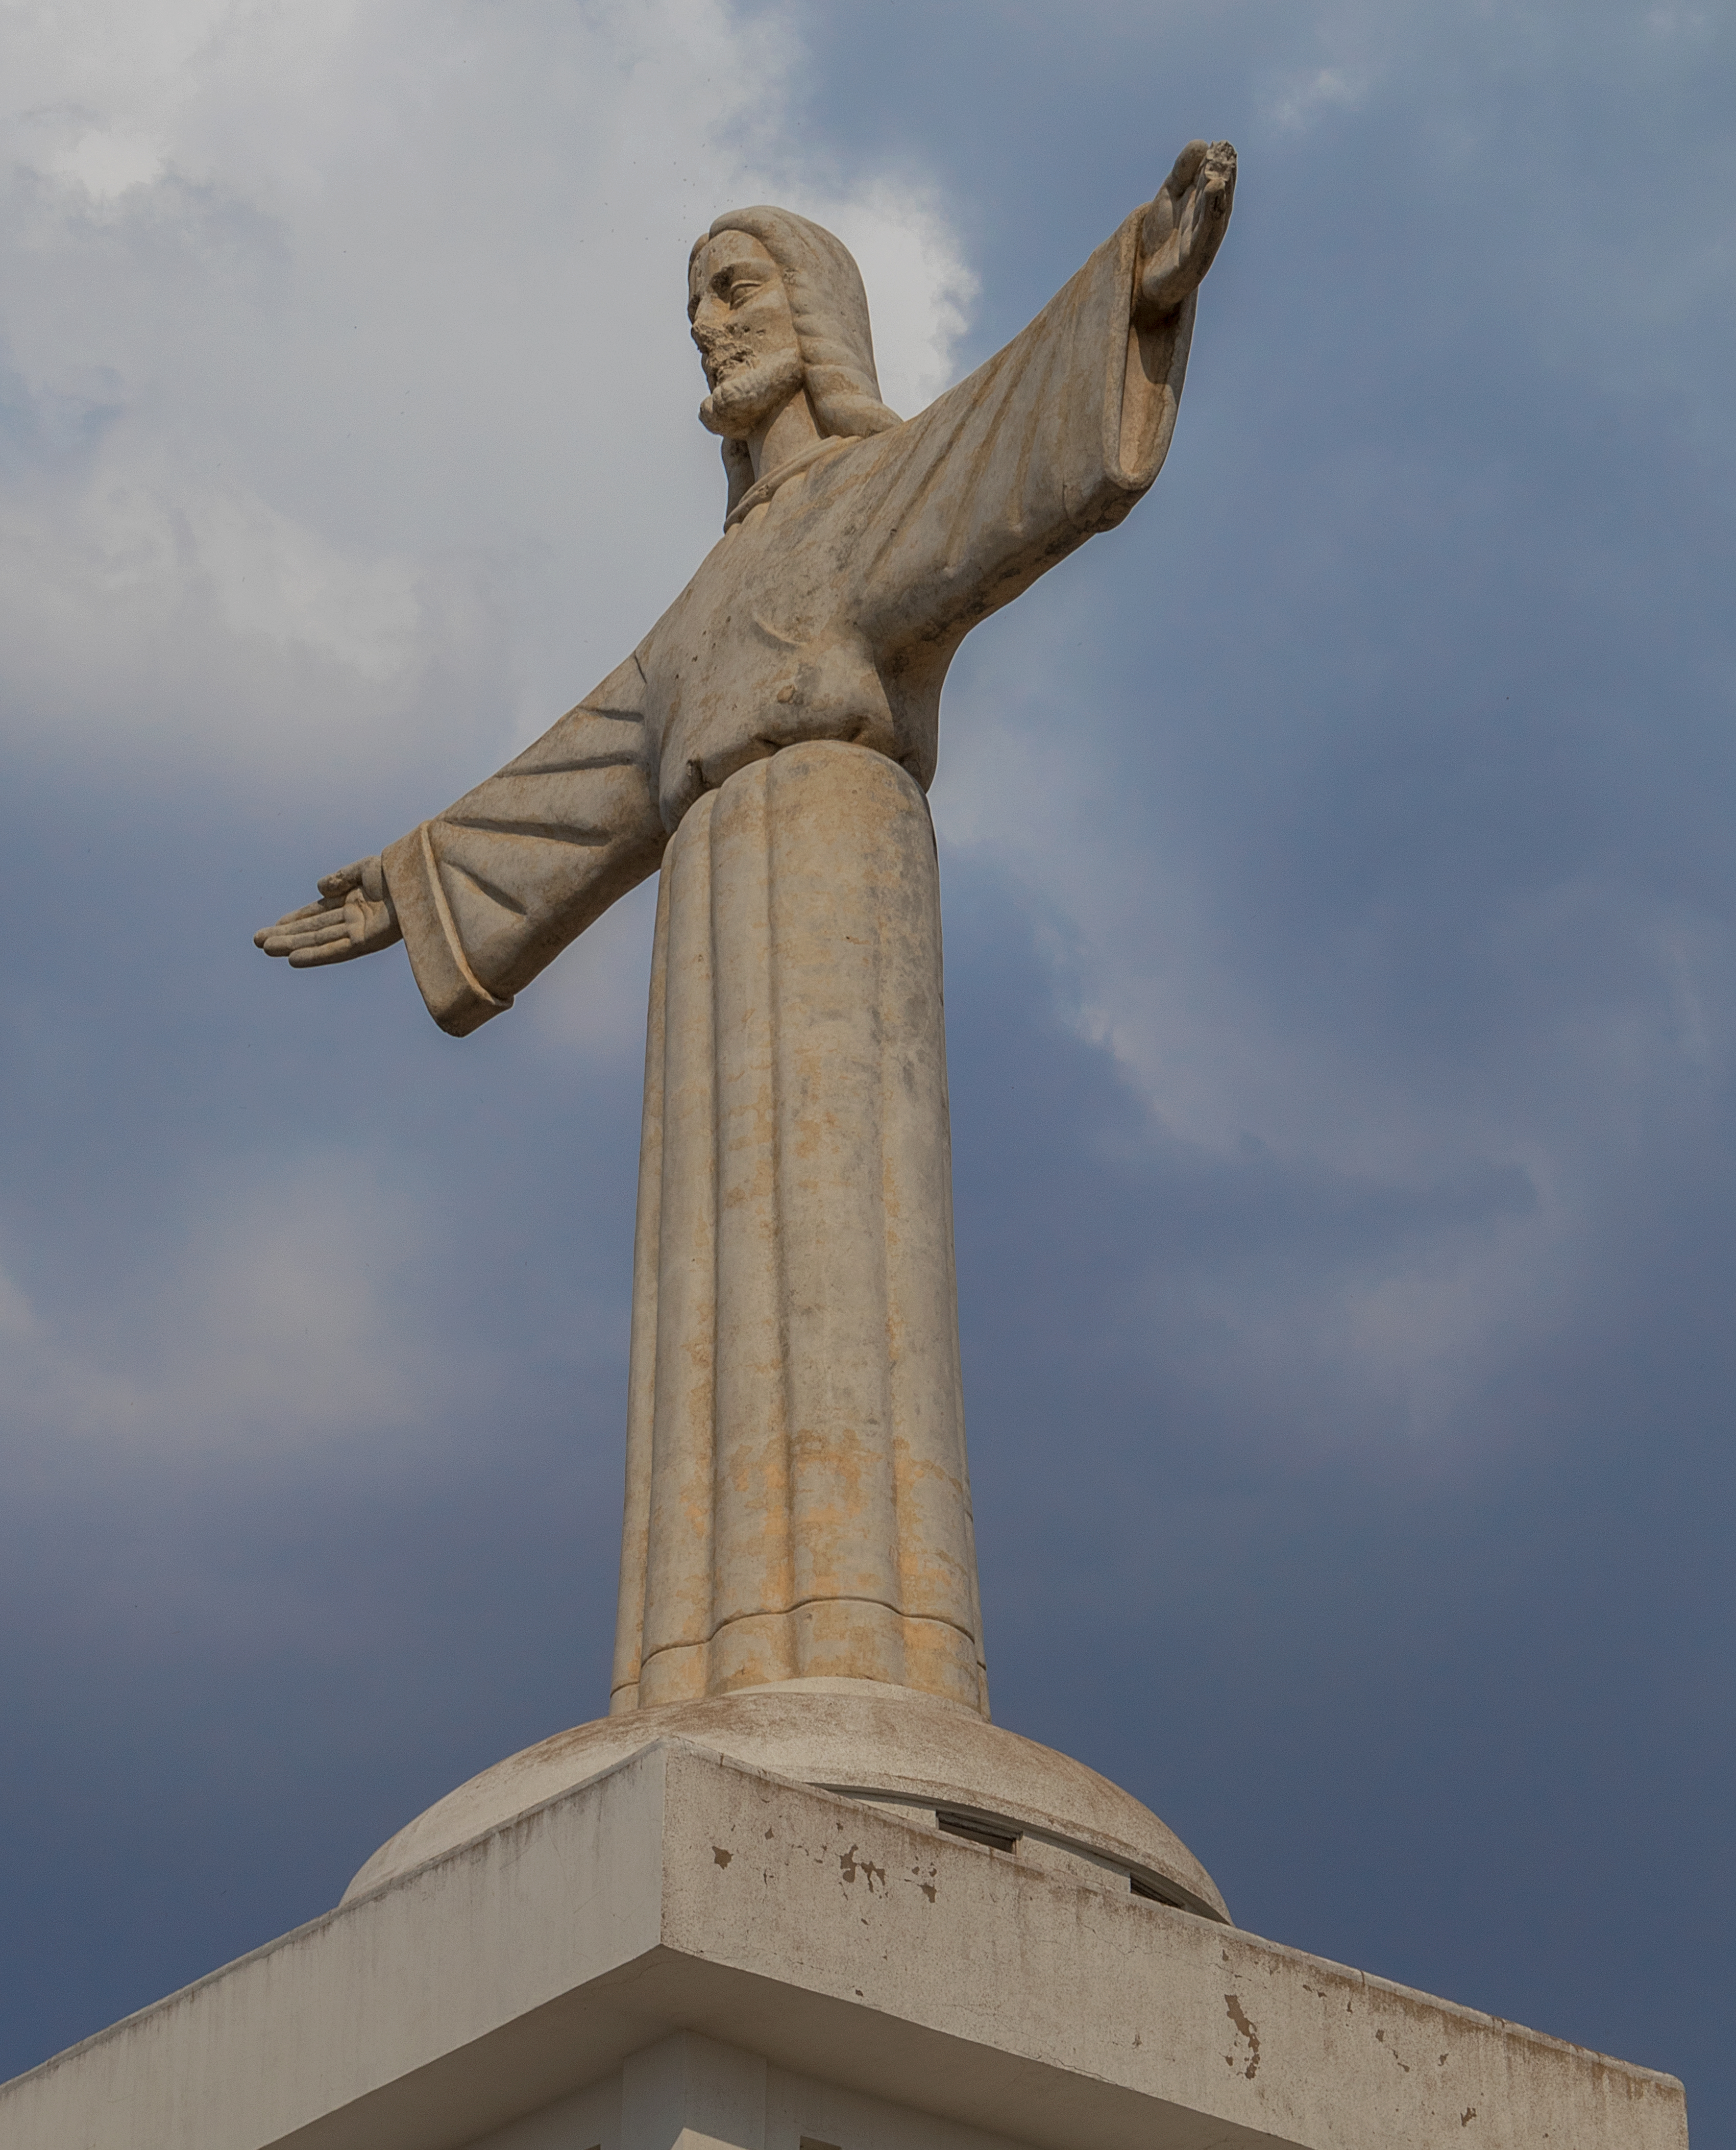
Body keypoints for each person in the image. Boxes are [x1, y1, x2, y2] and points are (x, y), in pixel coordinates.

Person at [257, 146, 1236, 1719]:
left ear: (817, 314)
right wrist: (412, 878)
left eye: (738, 289)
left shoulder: (878, 489)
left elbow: (1012, 440)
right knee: (718, 1288)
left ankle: (861, 1674)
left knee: (837, 1242)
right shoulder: (715, 598)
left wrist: (1136, 279)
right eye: (695, 305)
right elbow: (587, 769)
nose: (709, 328)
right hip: (714, 911)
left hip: (833, 869)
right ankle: (701, 1698)